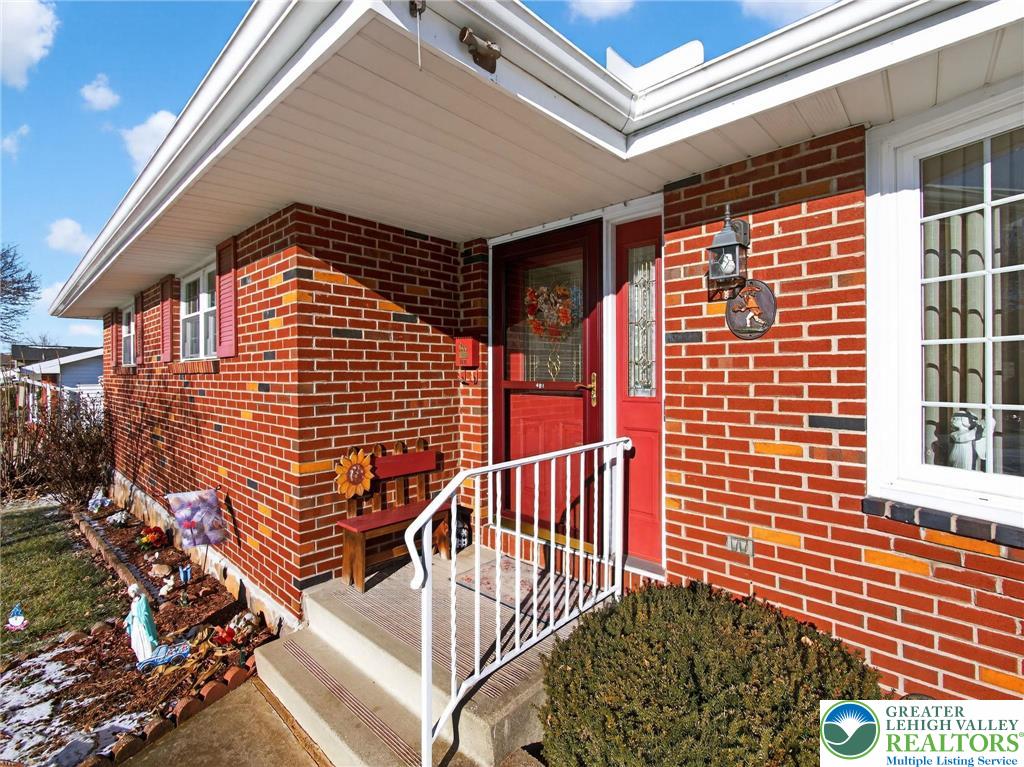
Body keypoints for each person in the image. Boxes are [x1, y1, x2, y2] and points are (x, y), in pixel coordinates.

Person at [125, 584, 159, 663]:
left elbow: (145, 611)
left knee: (145, 638)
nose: (130, 595)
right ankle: (142, 658)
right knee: (136, 641)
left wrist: (144, 621)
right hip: (135, 623)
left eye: (131, 592)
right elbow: (132, 612)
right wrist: (127, 620)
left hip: (141, 623)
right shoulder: (134, 601)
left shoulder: (142, 598)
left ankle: (149, 655)